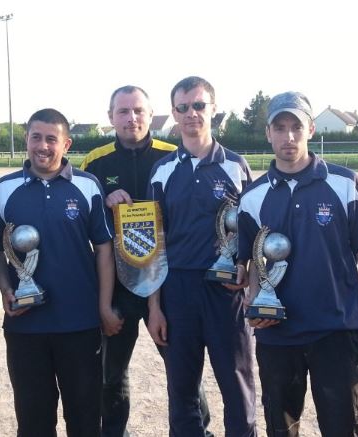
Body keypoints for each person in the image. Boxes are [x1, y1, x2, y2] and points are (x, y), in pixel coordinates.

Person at [237, 91, 358, 436]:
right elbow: (253, 265)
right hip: (278, 336)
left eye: (296, 127)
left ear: (310, 129)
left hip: (337, 332)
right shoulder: (252, 198)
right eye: (280, 128)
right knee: (281, 430)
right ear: (268, 133)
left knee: (343, 429)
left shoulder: (346, 184)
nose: (288, 137)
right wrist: (254, 302)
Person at [81, 85, 214, 437]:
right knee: (111, 374)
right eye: (123, 111)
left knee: (182, 370)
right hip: (117, 285)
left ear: (151, 114)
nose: (131, 118)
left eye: (138, 110)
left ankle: (198, 432)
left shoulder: (174, 156)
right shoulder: (94, 162)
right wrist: (105, 199)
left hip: (167, 285)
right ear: (111, 117)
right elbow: (86, 220)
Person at [0, 108, 114, 437]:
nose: (43, 146)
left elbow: (104, 248)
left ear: (66, 144)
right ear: (26, 140)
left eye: (51, 139)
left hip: (79, 324)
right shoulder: (4, 188)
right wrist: (6, 289)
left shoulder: (87, 185)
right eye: (36, 137)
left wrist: (103, 307)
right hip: (25, 326)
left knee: (85, 420)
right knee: (33, 421)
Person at [147, 76, 257, 436]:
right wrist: (154, 307)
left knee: (236, 383)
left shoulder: (236, 166)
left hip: (225, 292)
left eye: (198, 105)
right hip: (177, 290)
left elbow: (253, 232)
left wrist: (245, 270)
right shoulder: (162, 171)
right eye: (183, 107)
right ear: (174, 113)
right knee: (182, 389)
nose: (191, 113)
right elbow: (155, 243)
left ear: (213, 109)